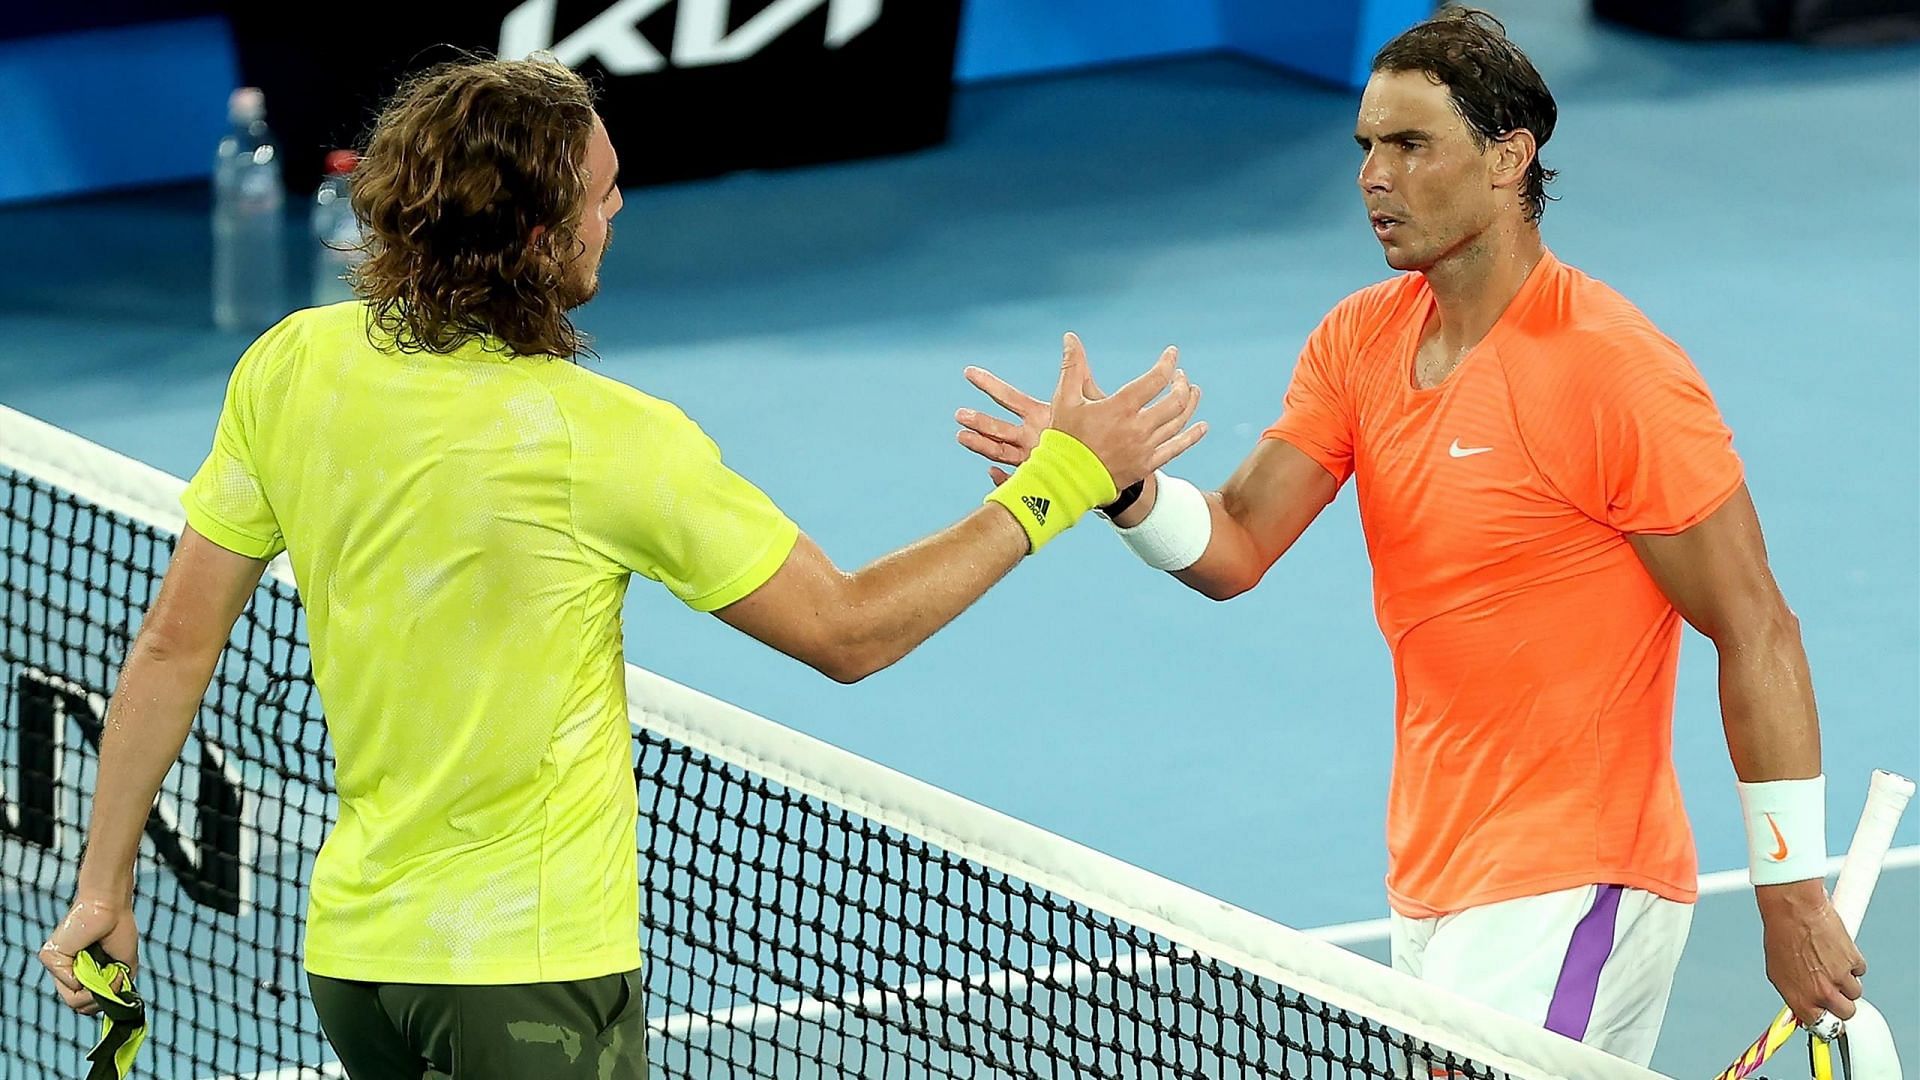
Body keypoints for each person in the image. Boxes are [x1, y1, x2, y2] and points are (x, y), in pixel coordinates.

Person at [38, 58, 1204, 1079]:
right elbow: (849, 632)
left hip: (359, 970)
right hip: (529, 985)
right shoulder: (606, 440)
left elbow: (173, 645)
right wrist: (1060, 482)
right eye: (601, 197)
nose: (619, 209)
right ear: (540, 243)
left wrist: (104, 888)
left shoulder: (291, 365)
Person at [954, 6, 1864, 1065]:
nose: (1371, 177)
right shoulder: (1360, 339)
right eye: (1365, 147)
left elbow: (1758, 626)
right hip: (1435, 878)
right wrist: (1120, 492)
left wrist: (1789, 897)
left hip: (1573, 880)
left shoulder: (1615, 373)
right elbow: (1239, 542)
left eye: (1410, 145)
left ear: (1508, 159)